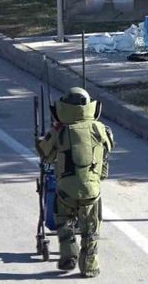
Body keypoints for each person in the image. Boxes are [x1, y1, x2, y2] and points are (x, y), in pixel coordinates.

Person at [36, 87, 114, 278]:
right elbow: (108, 150)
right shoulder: (101, 129)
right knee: (91, 229)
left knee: (64, 221)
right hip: (92, 192)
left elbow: (45, 154)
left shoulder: (60, 131)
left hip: (66, 192)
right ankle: (89, 266)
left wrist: (49, 134)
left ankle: (68, 255)